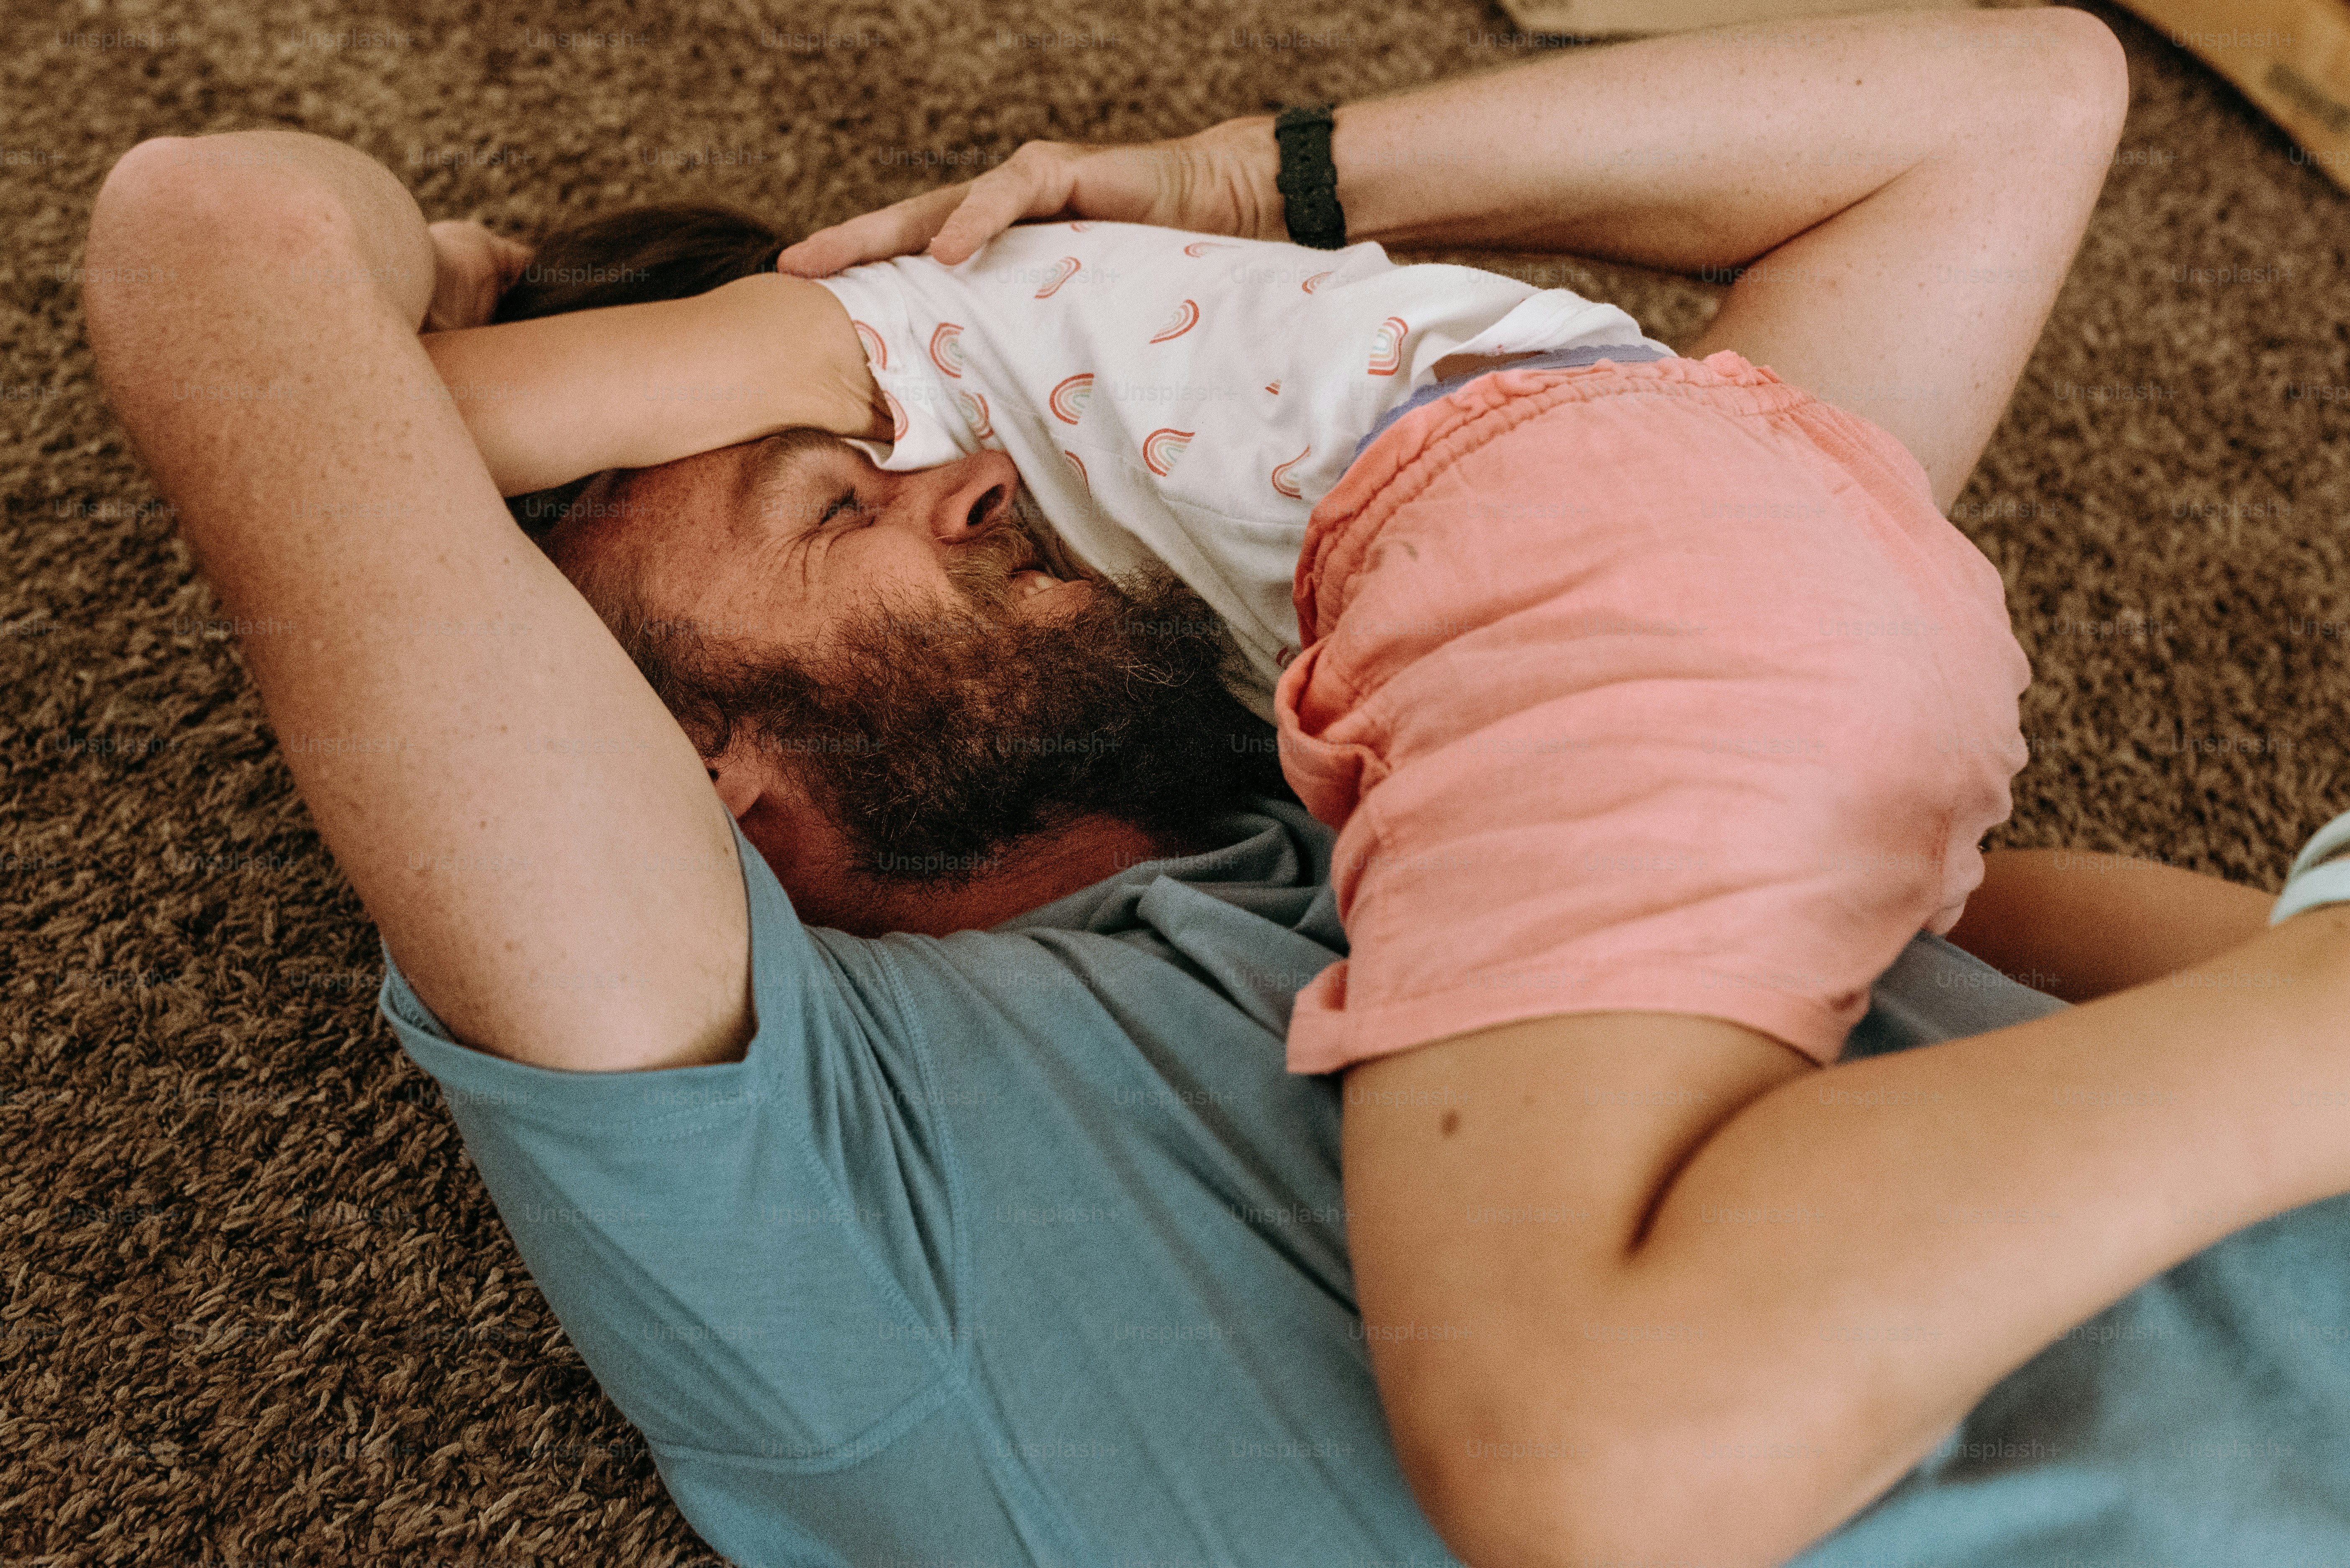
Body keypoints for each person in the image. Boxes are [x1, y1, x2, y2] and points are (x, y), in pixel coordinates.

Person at [77, 10, 2350, 1568]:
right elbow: (214, 234)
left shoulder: (1443, 778)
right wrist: (432, 281)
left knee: (2014, 910)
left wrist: (1241, 182)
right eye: (827, 509)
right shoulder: (779, 1117)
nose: (973, 471)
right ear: (691, 771)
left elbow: (1978, 110)